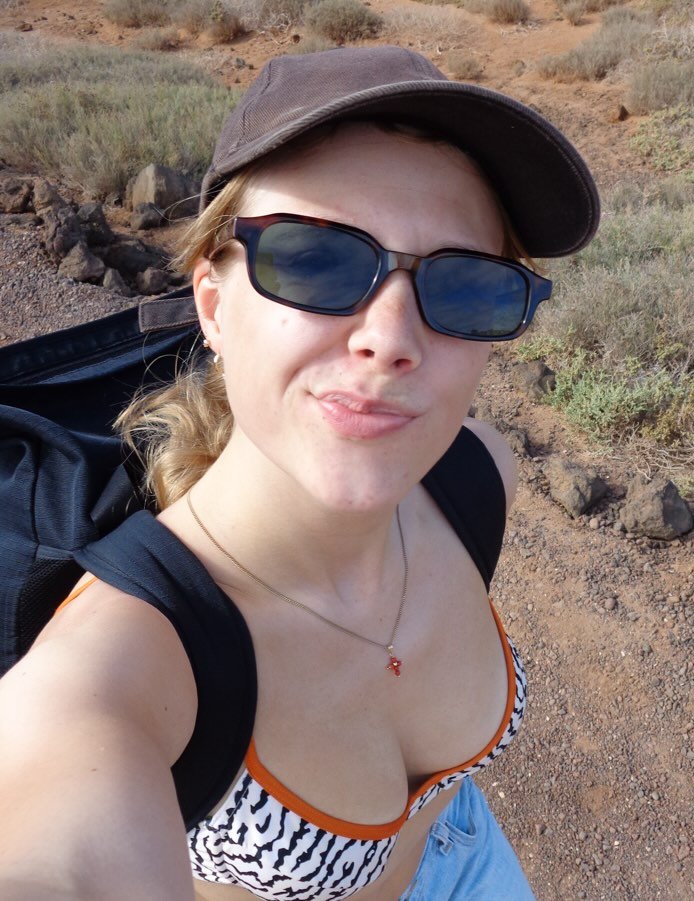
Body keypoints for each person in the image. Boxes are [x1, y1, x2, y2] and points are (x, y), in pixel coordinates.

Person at [0, 46, 598, 900]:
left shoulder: (475, 478)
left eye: (466, 284)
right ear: (213, 305)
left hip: (473, 858)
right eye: (316, 262)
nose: (390, 338)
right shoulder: (117, 669)